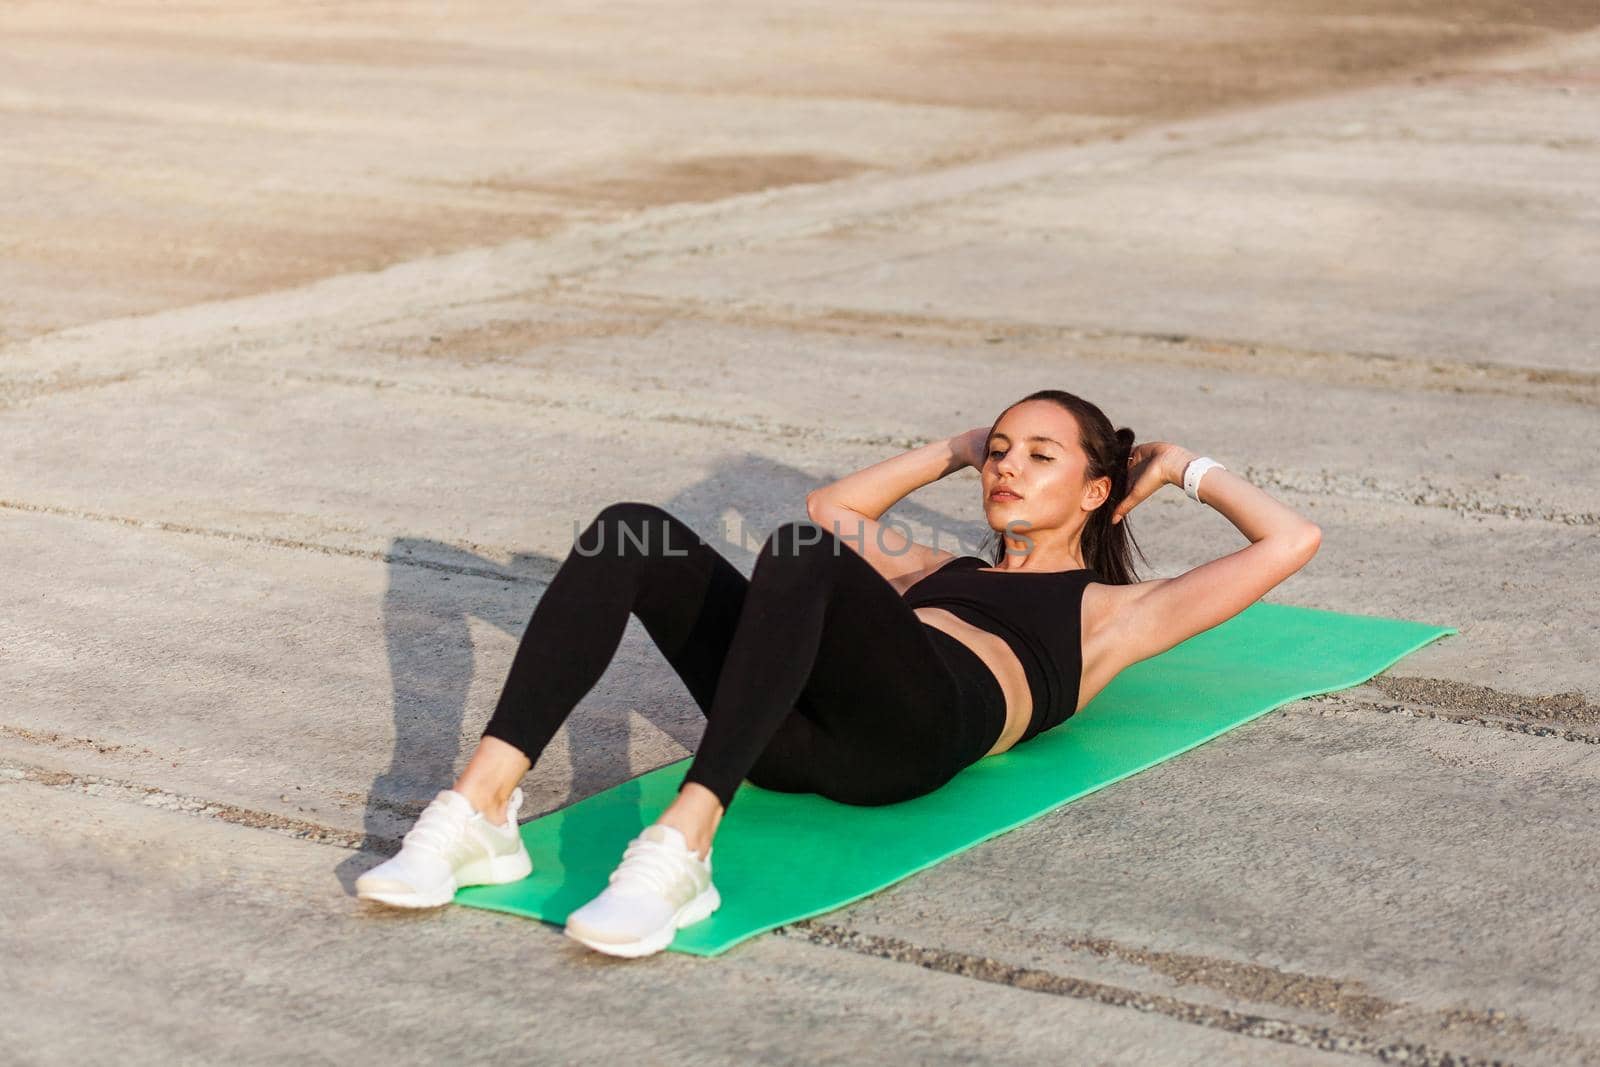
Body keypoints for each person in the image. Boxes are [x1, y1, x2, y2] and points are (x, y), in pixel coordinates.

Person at [356, 389, 1321, 958]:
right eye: (996, 453)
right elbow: (831, 504)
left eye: (1038, 455)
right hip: (790, 732)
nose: (1005, 469)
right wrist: (953, 447)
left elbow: (1291, 539)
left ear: (1097, 487)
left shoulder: (1111, 614)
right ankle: (482, 810)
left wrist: (1182, 466)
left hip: (912, 740)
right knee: (629, 529)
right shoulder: (940, 568)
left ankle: (684, 848)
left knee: (802, 550)